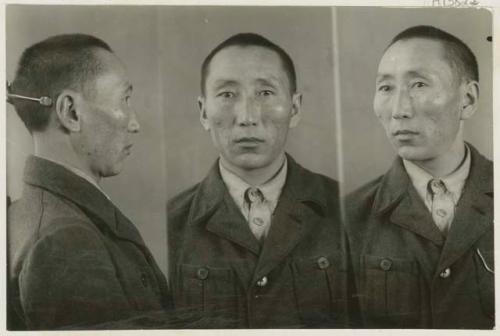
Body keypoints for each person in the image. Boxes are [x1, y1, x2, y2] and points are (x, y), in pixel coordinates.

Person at [167, 33, 349, 328]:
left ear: (295, 108)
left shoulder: (347, 211)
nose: (247, 117)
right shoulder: (170, 223)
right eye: (227, 95)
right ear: (203, 111)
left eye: (265, 93)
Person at [7, 34, 171, 330]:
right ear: (71, 112)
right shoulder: (66, 240)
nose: (135, 124)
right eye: (124, 99)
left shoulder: (25, 212)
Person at [345, 25, 493, 329]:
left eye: (419, 85)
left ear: (467, 99)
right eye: (386, 88)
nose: (399, 110)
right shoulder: (348, 220)